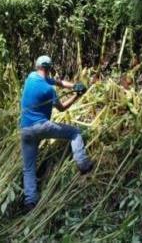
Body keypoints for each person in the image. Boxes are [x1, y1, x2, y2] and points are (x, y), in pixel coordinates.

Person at [20, 55, 94, 212]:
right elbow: (62, 108)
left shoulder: (30, 77)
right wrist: (77, 95)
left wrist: (75, 85)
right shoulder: (49, 90)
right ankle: (83, 163)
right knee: (74, 133)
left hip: (25, 130)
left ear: (37, 66)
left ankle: (30, 201)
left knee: (28, 168)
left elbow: (58, 82)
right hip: (42, 127)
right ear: (49, 68)